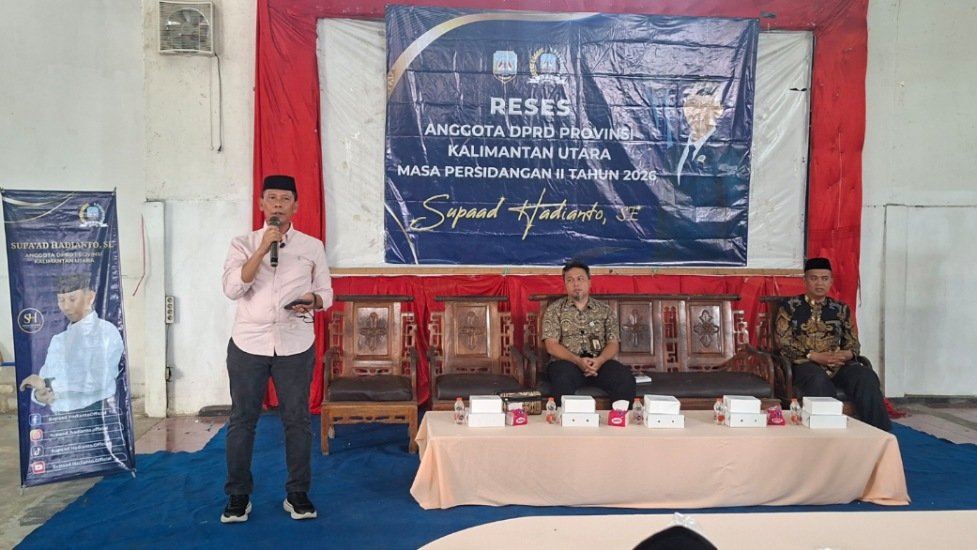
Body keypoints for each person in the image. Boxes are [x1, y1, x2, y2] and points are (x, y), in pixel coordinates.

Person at [220, 174, 333, 523]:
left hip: (295, 343)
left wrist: (312, 300)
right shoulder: (242, 243)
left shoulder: (312, 246)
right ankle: (238, 495)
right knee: (243, 420)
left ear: (295, 206)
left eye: (285, 199)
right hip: (248, 344)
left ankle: (297, 493)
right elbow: (233, 289)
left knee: (297, 420)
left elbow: (326, 294)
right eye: (272, 198)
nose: (278, 205)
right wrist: (261, 249)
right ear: (261, 204)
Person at [774, 257, 891, 431]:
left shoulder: (841, 309)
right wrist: (813, 356)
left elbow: (853, 343)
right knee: (817, 379)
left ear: (831, 281)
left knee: (865, 376)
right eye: (814, 278)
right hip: (805, 364)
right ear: (804, 281)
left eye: (824, 278)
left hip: (838, 364)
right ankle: (827, 433)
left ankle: (878, 432)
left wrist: (848, 354)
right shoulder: (790, 306)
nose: (819, 283)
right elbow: (783, 342)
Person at [19, 273, 123, 413]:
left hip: (95, 414)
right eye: (61, 300)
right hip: (59, 419)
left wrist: (49, 384)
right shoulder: (58, 340)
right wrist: (39, 394)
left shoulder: (106, 332)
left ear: (90, 297)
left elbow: (100, 379)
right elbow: (45, 376)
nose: (66, 307)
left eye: (72, 299)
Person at [541, 260, 636, 406]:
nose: (576, 284)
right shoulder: (554, 310)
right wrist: (578, 361)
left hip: (599, 363)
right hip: (567, 363)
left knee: (624, 378)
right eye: (570, 280)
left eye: (580, 279)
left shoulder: (604, 310)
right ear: (565, 284)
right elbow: (551, 346)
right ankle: (568, 418)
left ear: (589, 282)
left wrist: (600, 360)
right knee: (561, 378)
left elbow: (613, 343)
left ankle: (619, 417)